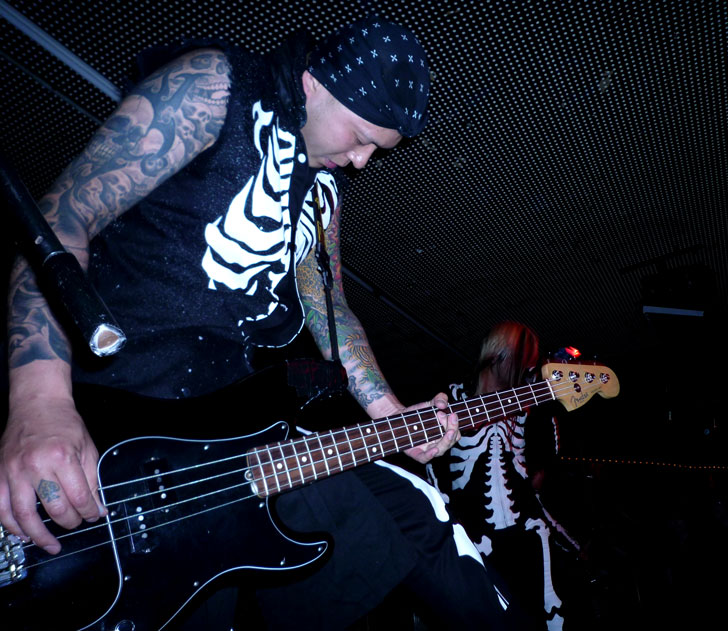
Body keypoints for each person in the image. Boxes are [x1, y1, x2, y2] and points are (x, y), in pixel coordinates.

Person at [1, 16, 512, 630]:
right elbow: (62, 219)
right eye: (360, 137)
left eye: (376, 150)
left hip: (224, 438)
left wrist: (390, 415)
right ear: (314, 82)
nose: (360, 161)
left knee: (361, 554)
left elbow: (330, 306)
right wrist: (39, 403)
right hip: (115, 407)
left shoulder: (323, 191)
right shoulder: (217, 85)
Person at [427, 321, 584, 630]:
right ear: (500, 356)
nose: (528, 371)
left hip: (526, 541)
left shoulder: (529, 411)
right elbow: (432, 471)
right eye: (524, 362)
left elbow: (537, 483)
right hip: (473, 544)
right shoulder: (454, 400)